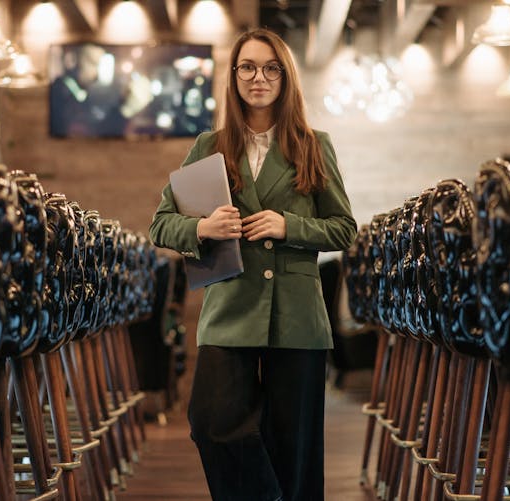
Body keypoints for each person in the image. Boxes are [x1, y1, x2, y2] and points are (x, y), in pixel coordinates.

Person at [149, 28, 357, 501]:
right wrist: (202, 229)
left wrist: (291, 227)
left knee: (294, 449)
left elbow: (344, 229)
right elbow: (161, 225)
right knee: (211, 423)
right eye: (247, 66)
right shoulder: (209, 146)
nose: (258, 77)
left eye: (269, 68)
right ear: (234, 75)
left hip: (297, 316)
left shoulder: (313, 144)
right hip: (230, 310)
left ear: (284, 78)